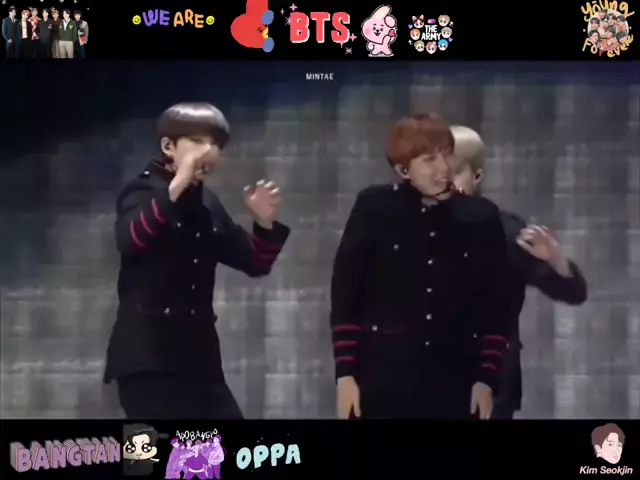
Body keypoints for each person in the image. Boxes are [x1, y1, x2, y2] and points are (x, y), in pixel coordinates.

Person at [104, 102, 290, 419]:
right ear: (169, 147)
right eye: (198, 141)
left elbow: (256, 262)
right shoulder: (142, 190)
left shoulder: (207, 203)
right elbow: (131, 239)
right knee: (162, 450)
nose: (210, 151)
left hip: (200, 363)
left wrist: (264, 222)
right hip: (149, 361)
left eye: (215, 144)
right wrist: (177, 184)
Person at [331, 113, 510, 420]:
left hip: (456, 388)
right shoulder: (374, 209)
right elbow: (346, 296)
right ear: (404, 170)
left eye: (447, 155)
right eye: (429, 160)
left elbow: (496, 308)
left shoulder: (481, 217)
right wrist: (345, 375)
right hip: (381, 384)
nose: (443, 168)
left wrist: (486, 380)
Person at [449, 125, 588, 419]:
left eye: (454, 172)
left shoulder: (507, 232)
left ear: (476, 176)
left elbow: (572, 291)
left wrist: (556, 258)